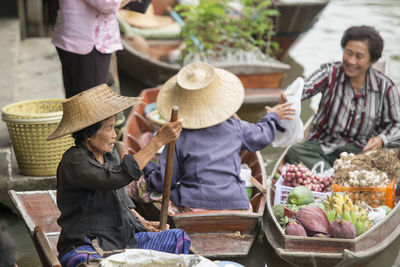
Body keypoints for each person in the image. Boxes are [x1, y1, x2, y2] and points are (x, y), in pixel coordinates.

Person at [46, 84, 190, 266]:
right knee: (88, 263)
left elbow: (121, 195)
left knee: (177, 238)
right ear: (88, 135)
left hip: (123, 241)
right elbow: (115, 178)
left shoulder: (110, 154)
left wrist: (141, 221)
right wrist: (158, 141)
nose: (115, 135)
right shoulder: (75, 162)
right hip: (88, 244)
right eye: (109, 128)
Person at [143, 62, 295, 211]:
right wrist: (272, 117)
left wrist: (148, 168)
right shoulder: (236, 127)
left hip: (194, 202)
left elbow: (163, 181)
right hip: (236, 202)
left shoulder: (178, 136)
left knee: (158, 193)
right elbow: (263, 135)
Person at [283, 25, 400, 170]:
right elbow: (303, 88)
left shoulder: (385, 88)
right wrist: (289, 97)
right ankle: (336, 177)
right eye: (348, 53)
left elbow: (396, 124)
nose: (351, 61)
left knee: (388, 159)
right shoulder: (330, 73)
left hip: (360, 154)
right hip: (322, 148)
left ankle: (329, 176)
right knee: (294, 151)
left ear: (372, 60)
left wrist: (381, 139)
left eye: (359, 56)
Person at [52, 0, 140, 98]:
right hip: (88, 42)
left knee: (76, 101)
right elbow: (107, 3)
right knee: (90, 104)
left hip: (76, 38)